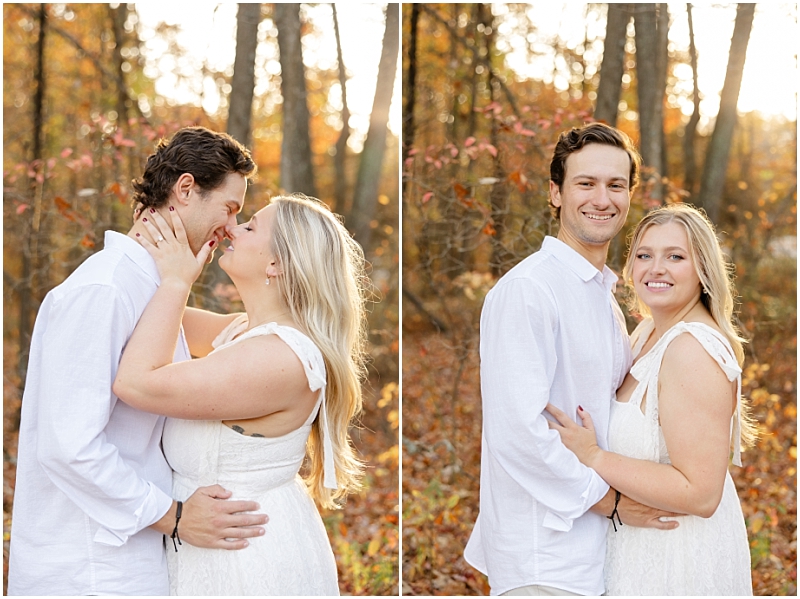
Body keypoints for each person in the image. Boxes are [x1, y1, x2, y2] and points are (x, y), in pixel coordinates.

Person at [7, 127, 268, 596]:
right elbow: (68, 446)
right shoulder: (103, 290)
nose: (231, 226)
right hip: (89, 568)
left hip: (135, 558)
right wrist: (176, 517)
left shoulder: (153, 288)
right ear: (186, 189)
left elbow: (242, 334)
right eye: (229, 208)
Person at [464, 122, 681, 596]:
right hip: (544, 557)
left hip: (595, 552)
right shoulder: (529, 291)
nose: (602, 198)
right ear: (555, 193)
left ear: (629, 195)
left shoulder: (602, 295)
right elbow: (517, 432)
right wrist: (609, 501)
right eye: (585, 183)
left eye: (616, 185)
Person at [112, 193, 367, 595]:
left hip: (247, 560)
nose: (232, 228)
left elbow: (135, 383)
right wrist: (159, 242)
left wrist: (179, 278)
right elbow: (143, 312)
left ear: (276, 264)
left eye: (249, 227)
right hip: (210, 544)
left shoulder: (277, 359)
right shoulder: (243, 331)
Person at [546, 203, 754, 595]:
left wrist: (595, 457)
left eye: (675, 256)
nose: (655, 268)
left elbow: (702, 493)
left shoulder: (692, 349)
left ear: (703, 270)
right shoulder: (645, 335)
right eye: (644, 255)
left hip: (679, 561)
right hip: (638, 550)